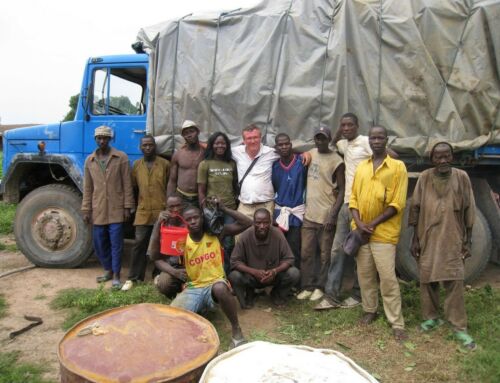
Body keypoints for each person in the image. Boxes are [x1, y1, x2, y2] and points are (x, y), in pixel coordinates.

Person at [409, 142, 476, 350]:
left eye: (447, 156)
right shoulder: (425, 178)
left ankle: (459, 327)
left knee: (454, 279)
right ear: (432, 160)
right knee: (427, 278)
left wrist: (468, 239)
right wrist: (414, 238)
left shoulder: (461, 177)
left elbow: (469, 209)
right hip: (427, 236)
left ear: (452, 157)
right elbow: (415, 207)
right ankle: (431, 317)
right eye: (438, 157)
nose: (443, 160)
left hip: (452, 237)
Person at [349, 125, 408, 341]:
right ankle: (370, 310)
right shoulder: (362, 167)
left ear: (386, 140)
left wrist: (371, 224)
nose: (375, 141)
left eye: (380, 137)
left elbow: (397, 203)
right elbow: (353, 198)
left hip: (383, 233)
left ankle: (396, 322)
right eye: (372, 137)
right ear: (369, 141)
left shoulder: (397, 167)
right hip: (361, 232)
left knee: (387, 278)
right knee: (365, 276)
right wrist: (358, 223)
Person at [170, 199, 252, 348]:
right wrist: (158, 225)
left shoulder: (216, 233)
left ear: (202, 218)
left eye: (196, 217)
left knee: (220, 288)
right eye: (189, 219)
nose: (193, 221)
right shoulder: (181, 239)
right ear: (184, 222)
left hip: (215, 284)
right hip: (193, 288)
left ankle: (236, 329)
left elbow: (247, 223)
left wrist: (225, 209)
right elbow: (155, 256)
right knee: (174, 318)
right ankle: (202, 309)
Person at [315, 113, 369, 310]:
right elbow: (333, 143)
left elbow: (389, 155)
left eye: (350, 125)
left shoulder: (366, 142)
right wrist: (339, 131)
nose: (346, 128)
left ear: (358, 126)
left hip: (363, 205)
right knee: (337, 250)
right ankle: (332, 296)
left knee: (360, 251)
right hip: (347, 204)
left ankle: (357, 293)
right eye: (343, 125)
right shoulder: (344, 145)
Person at [81, 125, 134, 289]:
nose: (102, 141)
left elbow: (127, 183)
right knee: (99, 243)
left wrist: (128, 206)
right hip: (98, 209)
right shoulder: (90, 160)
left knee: (116, 243)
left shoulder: (121, 157)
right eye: (99, 138)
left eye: (105, 138)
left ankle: (117, 275)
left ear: (110, 139)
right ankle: (108, 270)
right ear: (95, 139)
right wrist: (86, 209)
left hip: (116, 209)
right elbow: (88, 188)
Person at [297, 127, 345, 302]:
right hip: (310, 215)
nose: (320, 142)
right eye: (317, 138)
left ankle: (320, 286)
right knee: (306, 253)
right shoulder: (310, 153)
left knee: (325, 255)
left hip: (326, 216)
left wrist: (333, 215)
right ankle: (307, 286)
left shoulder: (336, 160)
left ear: (329, 139)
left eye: (323, 139)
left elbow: (341, 190)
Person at [121, 135, 170, 291]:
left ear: (155, 147)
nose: (147, 148)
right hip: (143, 212)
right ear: (140, 148)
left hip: (161, 212)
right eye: (145, 145)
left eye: (150, 145)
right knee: (139, 244)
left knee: (161, 246)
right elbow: (133, 187)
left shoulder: (165, 164)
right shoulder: (136, 165)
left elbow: (170, 186)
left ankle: (158, 274)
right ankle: (134, 278)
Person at [232, 124, 310, 220]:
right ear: (243, 140)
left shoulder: (271, 152)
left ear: (260, 138)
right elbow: (218, 150)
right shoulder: (236, 152)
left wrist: (305, 153)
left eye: (255, 137)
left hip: (266, 205)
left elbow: (286, 150)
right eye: (249, 138)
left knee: (266, 234)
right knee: (242, 235)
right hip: (245, 206)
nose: (252, 141)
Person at [229, 208, 301, 308]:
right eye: (258, 223)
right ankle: (247, 297)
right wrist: (254, 272)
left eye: (265, 223)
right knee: (234, 276)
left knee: (294, 273)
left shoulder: (278, 234)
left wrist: (275, 271)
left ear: (270, 222)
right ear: (253, 223)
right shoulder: (245, 236)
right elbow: (234, 261)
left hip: (273, 276)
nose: (262, 226)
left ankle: (277, 294)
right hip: (252, 277)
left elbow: (289, 259)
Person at [197, 132, 238, 274]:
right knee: (212, 242)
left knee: (228, 243)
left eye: (223, 143)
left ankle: (225, 274)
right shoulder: (204, 164)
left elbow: (234, 186)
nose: (220, 146)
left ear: (227, 145)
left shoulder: (231, 163)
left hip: (229, 210)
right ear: (211, 145)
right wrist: (203, 209)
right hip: (212, 211)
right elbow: (201, 190)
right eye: (217, 143)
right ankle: (211, 274)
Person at [272, 133, 307, 268]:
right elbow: (275, 187)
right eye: (280, 145)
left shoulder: (301, 162)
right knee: (278, 248)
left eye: (287, 144)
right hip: (280, 213)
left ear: (291, 145)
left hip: (296, 214)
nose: (284, 147)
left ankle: (295, 282)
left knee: (294, 248)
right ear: (276, 147)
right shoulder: (274, 166)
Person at [147, 195, 187, 298]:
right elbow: (155, 258)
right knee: (164, 283)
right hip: (171, 267)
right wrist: (174, 272)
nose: (175, 209)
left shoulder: (190, 222)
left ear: (183, 206)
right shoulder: (161, 225)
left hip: (191, 265)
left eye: (178, 206)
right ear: (166, 207)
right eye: (171, 207)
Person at [167, 120, 205, 206]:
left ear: (198, 132)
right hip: (181, 197)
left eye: (192, 131)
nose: (189, 135)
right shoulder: (178, 154)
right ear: (183, 136)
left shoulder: (205, 153)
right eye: (186, 133)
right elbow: (172, 181)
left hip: (200, 196)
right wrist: (169, 201)